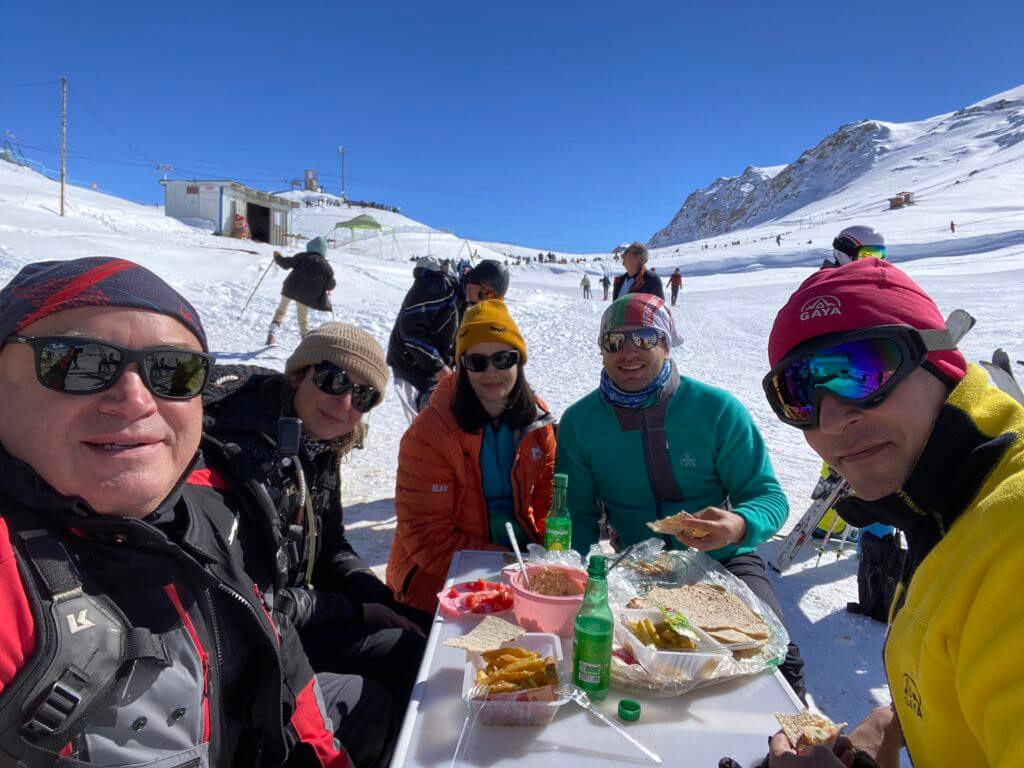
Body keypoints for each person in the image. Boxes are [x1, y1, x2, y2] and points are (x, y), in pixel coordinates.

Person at [0, 257, 360, 768]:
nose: (133, 399)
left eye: (172, 371)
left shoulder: (204, 514)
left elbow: (282, 658)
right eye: (76, 362)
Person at [762, 259, 1024, 767]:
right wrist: (904, 719)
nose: (833, 420)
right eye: (798, 395)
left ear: (939, 359)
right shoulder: (946, 502)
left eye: (862, 370)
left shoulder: (1013, 533)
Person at [556, 294, 805, 700]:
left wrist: (739, 525)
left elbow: (767, 496)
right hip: (635, 569)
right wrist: (583, 577)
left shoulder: (716, 410)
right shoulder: (581, 423)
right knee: (624, 670)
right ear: (602, 351)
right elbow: (579, 516)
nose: (629, 352)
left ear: (667, 343)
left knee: (776, 661)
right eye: (614, 342)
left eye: (644, 338)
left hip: (724, 562)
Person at [202, 323, 429, 718]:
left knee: (423, 631)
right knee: (406, 657)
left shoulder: (315, 447)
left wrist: (377, 599)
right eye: (332, 379)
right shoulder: (245, 453)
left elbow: (330, 546)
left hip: (298, 615)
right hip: (253, 639)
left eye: (362, 395)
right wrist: (356, 611)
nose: (344, 403)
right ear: (298, 374)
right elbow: (256, 600)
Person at [387, 300, 556, 612]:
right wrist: (511, 565)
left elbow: (546, 497)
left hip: (521, 570)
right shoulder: (430, 433)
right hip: (441, 584)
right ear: (462, 366)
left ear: (519, 362)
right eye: (477, 362)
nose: (491, 371)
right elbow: (430, 539)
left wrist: (548, 555)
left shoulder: (537, 420)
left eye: (504, 358)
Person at [387, 257, 510, 423]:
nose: (483, 301)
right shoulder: (439, 287)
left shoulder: (466, 300)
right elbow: (411, 332)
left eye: (491, 299)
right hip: (409, 365)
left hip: (437, 369)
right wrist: (439, 367)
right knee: (423, 423)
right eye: (485, 293)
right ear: (475, 280)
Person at [267, 236, 336, 345]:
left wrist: (277, 257)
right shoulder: (327, 267)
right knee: (302, 316)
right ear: (324, 251)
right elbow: (331, 284)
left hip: (290, 288)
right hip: (306, 295)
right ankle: (305, 340)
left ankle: (272, 333)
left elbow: (286, 264)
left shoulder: (303, 256)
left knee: (281, 310)